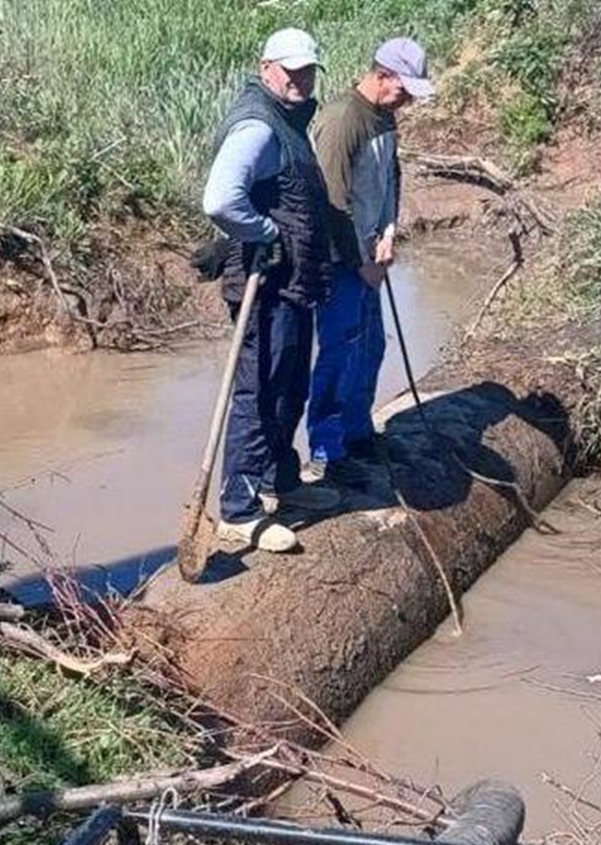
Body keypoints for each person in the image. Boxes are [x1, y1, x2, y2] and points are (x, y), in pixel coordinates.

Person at [201, 27, 341, 553]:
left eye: (308, 71)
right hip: (265, 281)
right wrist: (263, 233)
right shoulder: (258, 126)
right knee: (258, 393)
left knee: (290, 387)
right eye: (291, 71)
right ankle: (239, 510)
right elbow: (220, 200)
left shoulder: (287, 119)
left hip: (292, 281)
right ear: (266, 68)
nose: (301, 80)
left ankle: (279, 482)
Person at [305, 37, 435, 485]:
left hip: (368, 256)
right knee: (338, 352)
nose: (406, 103)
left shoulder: (385, 117)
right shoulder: (343, 120)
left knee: (371, 346)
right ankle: (327, 448)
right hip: (341, 260)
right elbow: (331, 202)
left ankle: (358, 434)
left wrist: (390, 231)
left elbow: (390, 177)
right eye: (403, 91)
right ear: (382, 76)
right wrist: (361, 261)